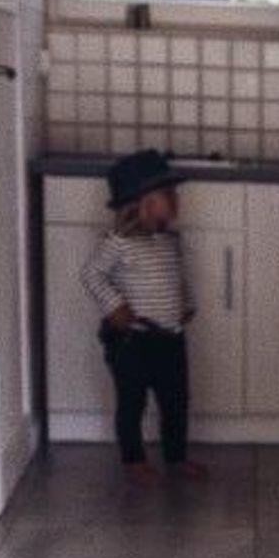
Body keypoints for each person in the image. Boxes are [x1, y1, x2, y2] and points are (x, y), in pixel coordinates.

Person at [80, 149, 207, 482]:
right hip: (132, 340)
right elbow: (92, 274)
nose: (177, 200)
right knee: (132, 401)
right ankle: (133, 460)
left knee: (176, 401)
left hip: (171, 338)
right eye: (168, 195)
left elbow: (177, 278)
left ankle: (176, 457)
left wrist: (186, 303)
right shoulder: (118, 243)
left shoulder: (169, 241)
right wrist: (115, 306)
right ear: (143, 204)